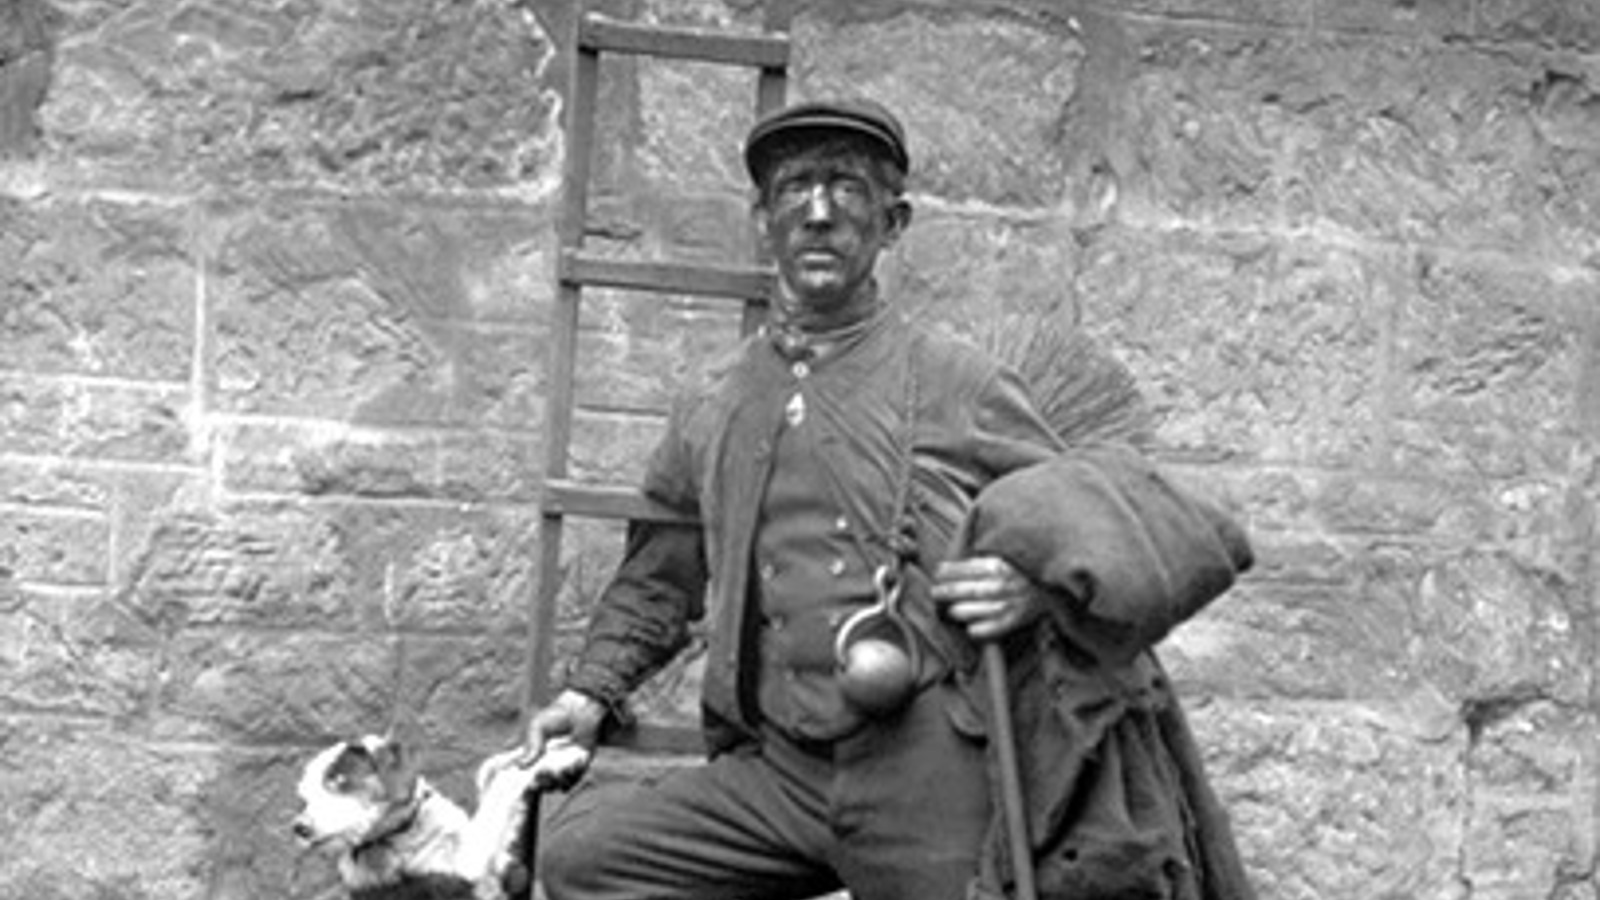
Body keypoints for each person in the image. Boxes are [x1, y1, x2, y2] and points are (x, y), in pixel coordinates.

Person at [505, 98, 1257, 900]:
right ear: (764, 219)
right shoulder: (711, 401)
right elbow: (662, 574)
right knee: (584, 863)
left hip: (928, 766)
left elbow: (1097, 517)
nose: (820, 213)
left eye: (847, 189)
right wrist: (591, 693)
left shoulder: (957, 380)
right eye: (795, 189)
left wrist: (1036, 587)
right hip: (780, 772)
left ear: (893, 223)